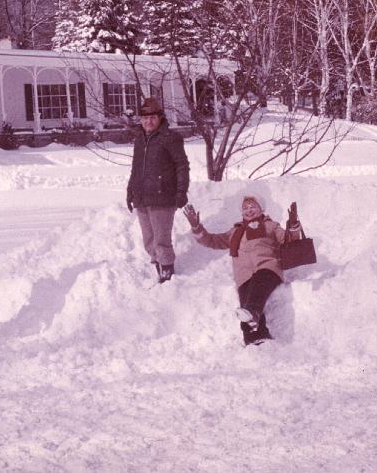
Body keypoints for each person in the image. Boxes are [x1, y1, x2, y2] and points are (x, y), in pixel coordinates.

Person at [183, 196, 303, 346]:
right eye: (245, 208)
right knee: (246, 302)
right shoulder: (235, 231)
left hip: (268, 268)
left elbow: (289, 241)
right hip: (244, 276)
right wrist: (196, 227)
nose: (249, 210)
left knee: (255, 294)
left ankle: (252, 313)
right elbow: (211, 241)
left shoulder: (271, 226)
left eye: (253, 206)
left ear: (262, 209)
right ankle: (256, 340)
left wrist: (293, 226)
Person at [126, 97, 190, 283]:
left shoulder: (170, 138)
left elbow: (182, 166)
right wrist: (130, 191)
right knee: (149, 241)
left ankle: (167, 274)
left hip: (163, 197)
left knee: (161, 241)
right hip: (142, 197)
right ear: (140, 120)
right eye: (145, 118)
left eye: (153, 117)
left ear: (160, 118)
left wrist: (181, 192)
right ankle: (158, 268)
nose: (149, 121)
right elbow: (136, 168)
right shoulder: (139, 139)